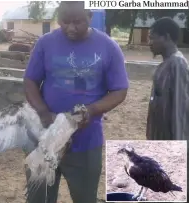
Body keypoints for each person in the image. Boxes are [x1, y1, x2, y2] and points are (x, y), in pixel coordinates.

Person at [23, 1, 129, 203]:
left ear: (90, 17)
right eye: (65, 21)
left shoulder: (109, 47)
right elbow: (30, 81)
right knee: (39, 199)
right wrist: (43, 112)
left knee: (85, 199)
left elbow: (119, 90)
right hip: (45, 140)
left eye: (78, 22)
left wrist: (93, 109)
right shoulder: (45, 43)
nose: (71, 27)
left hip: (85, 143)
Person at [146, 17, 189, 140]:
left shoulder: (177, 64)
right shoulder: (166, 64)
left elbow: (179, 110)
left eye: (152, 38)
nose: (150, 42)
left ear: (166, 37)